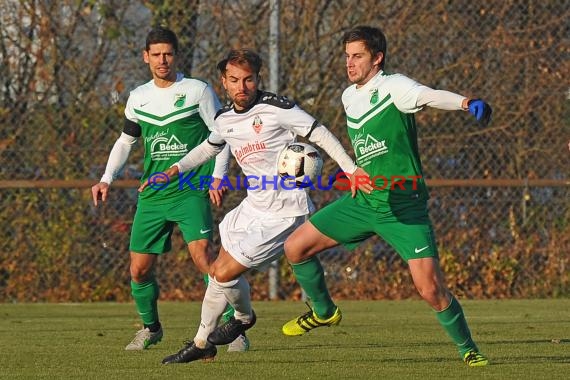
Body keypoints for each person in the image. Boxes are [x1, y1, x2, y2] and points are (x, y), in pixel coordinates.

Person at [281, 25, 492, 367]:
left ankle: (468, 348)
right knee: (295, 247)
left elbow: (428, 94)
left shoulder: (395, 87)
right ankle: (324, 312)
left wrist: (466, 103)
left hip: (403, 206)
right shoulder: (349, 96)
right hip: (363, 201)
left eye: (358, 56)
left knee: (430, 290)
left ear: (377, 58)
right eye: (347, 56)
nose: (349, 63)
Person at [141, 49, 368, 364]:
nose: (242, 86)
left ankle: (225, 328)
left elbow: (320, 133)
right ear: (224, 82)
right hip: (252, 207)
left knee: (221, 274)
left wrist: (350, 169)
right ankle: (221, 331)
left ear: (257, 79)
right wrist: (173, 170)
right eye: (234, 80)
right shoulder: (224, 118)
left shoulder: (278, 108)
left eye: (248, 79)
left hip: (284, 213)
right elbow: (210, 147)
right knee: (219, 271)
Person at [90, 26, 246, 352]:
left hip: (190, 187)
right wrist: (106, 178)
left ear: (176, 56)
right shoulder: (138, 97)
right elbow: (125, 141)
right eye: (157, 54)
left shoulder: (197, 91)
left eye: (169, 54)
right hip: (153, 194)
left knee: (203, 258)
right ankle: (151, 328)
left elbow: (223, 133)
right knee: (139, 269)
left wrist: (217, 176)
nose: (163, 60)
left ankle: (235, 327)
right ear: (146, 57)